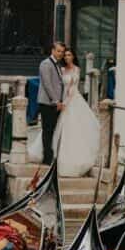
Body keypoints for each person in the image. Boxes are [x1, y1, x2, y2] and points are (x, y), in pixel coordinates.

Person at [30, 47, 100, 178]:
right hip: (60, 101)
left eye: (69, 55)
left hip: (73, 99)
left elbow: (74, 87)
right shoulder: (60, 69)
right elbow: (55, 85)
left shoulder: (76, 69)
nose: (66, 57)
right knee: (54, 128)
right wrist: (60, 101)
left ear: (73, 57)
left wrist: (67, 100)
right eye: (65, 55)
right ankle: (50, 155)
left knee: (74, 127)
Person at [36, 40, 65, 165]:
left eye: (62, 52)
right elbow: (48, 84)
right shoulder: (46, 64)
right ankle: (47, 158)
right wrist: (56, 101)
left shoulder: (58, 65)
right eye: (58, 51)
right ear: (53, 50)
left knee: (52, 130)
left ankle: (50, 155)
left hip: (55, 103)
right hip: (47, 103)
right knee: (47, 130)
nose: (60, 54)